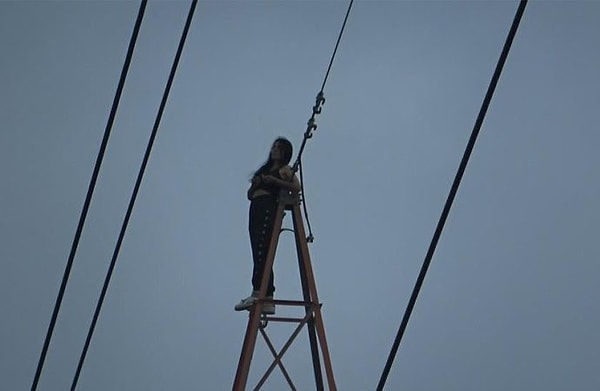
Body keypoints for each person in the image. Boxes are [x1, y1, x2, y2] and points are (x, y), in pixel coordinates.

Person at [234, 137, 301, 314]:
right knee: (257, 248)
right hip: (256, 206)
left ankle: (261, 292)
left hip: (268, 207)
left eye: (279, 148)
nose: (275, 151)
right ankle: (264, 294)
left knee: (263, 248)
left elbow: (296, 187)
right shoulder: (264, 169)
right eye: (274, 147)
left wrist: (275, 182)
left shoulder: (284, 170)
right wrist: (254, 185)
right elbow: (250, 195)